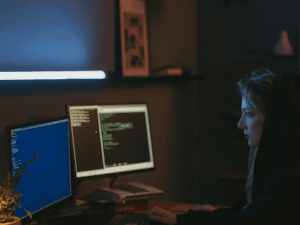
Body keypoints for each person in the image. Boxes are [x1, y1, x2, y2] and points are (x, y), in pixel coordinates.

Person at [148, 68, 300, 225]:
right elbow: (247, 210)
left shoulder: (290, 178)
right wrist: (181, 219)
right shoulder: (280, 163)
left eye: (249, 114)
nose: (240, 124)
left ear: (275, 118)